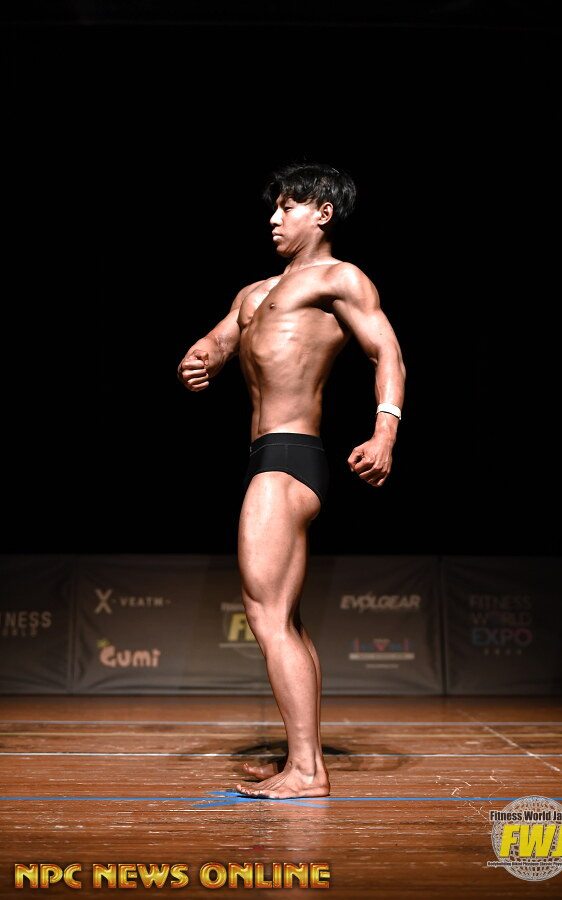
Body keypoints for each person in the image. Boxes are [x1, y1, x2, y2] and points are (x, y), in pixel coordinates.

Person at [177, 161, 406, 799]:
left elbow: (386, 352)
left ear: (322, 214)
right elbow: (218, 344)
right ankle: (300, 757)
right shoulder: (253, 294)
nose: (274, 219)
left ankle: (307, 772)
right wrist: (199, 358)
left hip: (291, 454)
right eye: (273, 208)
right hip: (265, 453)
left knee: (266, 613)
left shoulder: (340, 278)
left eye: (288, 207)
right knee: (287, 620)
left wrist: (385, 431)